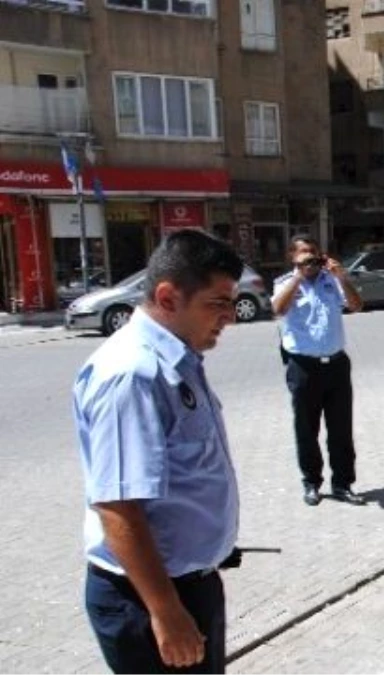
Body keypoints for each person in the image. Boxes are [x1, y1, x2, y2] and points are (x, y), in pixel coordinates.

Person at [74, 230, 243, 673]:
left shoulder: (176, 360)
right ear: (168, 297)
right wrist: (165, 611)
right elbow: (117, 506)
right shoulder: (132, 375)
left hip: (189, 586)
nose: (230, 317)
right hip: (147, 598)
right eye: (217, 303)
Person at [272, 235, 365, 507]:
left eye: (313, 253)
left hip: (336, 364)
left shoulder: (331, 281)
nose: (310, 258)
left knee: (341, 429)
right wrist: (298, 277)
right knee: (306, 429)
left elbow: (357, 306)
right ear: (293, 257)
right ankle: (312, 483)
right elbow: (277, 309)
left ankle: (343, 484)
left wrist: (343, 277)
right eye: (303, 253)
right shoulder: (284, 283)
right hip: (303, 367)